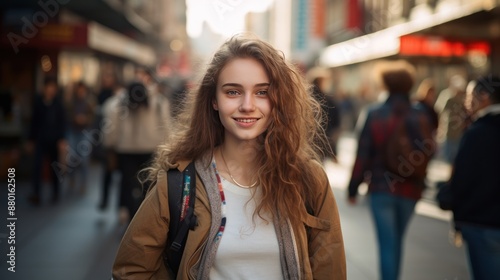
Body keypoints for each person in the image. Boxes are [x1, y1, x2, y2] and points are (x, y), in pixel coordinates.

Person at [112, 35, 346, 279]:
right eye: (233, 92)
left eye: (262, 92)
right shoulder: (178, 184)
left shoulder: (309, 180)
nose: (247, 105)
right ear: (214, 100)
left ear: (279, 100)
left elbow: (330, 270)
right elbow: (131, 270)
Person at [347, 60, 434, 280]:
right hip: (411, 189)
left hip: (381, 187)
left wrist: (353, 188)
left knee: (387, 244)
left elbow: (363, 154)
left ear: (384, 84)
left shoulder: (374, 113)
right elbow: (429, 150)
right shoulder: (420, 114)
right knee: (397, 241)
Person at [449, 75, 500, 280]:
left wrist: (450, 202)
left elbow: (461, 181)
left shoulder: (476, 133)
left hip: (482, 224)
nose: (467, 102)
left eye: (470, 96)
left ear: (484, 97)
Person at [104, 70, 171, 224]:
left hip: (125, 150)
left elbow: (111, 127)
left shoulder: (118, 102)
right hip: (150, 149)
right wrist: (166, 147)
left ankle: (128, 213)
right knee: (148, 184)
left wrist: (110, 145)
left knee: (126, 183)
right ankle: (143, 217)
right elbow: (166, 127)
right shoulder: (159, 102)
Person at [27, 76, 66, 206]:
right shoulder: (38, 102)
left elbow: (62, 122)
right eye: (49, 87)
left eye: (53, 87)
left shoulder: (58, 104)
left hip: (54, 141)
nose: (51, 90)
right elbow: (34, 122)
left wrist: (62, 139)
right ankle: (36, 193)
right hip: (40, 139)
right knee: (37, 167)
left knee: (54, 168)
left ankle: (55, 192)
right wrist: (31, 139)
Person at [65, 81, 96, 194]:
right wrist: (75, 118)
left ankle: (83, 183)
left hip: (85, 131)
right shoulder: (71, 102)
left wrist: (86, 119)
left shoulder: (89, 102)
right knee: (72, 158)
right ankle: (72, 179)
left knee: (84, 159)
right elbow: (66, 115)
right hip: (73, 131)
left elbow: (94, 117)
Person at [434, 74, 468, 163]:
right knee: (448, 158)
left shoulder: (464, 97)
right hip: (448, 132)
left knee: (459, 158)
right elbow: (438, 110)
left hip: (461, 133)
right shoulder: (446, 96)